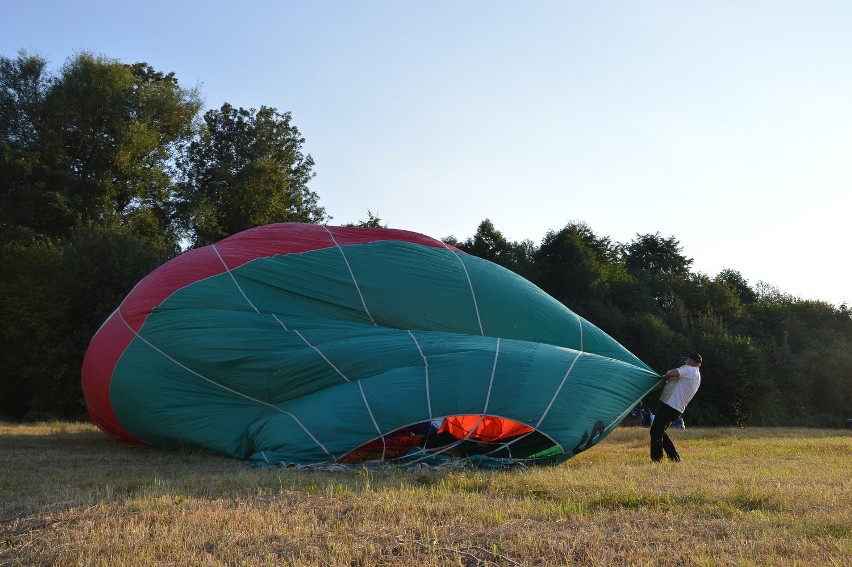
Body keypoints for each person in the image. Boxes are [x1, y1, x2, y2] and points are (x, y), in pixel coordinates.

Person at [650, 352, 702, 462]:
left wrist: (665, 375)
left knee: (655, 431)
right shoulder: (697, 375)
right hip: (677, 408)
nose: (685, 362)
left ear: (691, 360)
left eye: (686, 360)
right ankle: (674, 457)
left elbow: (672, 373)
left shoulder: (689, 369)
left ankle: (657, 459)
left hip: (670, 405)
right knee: (659, 431)